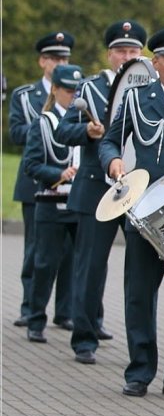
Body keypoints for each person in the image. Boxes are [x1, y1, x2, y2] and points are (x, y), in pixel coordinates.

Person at [99, 26, 164, 399]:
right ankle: (139, 370)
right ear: (155, 62)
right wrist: (113, 163)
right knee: (140, 293)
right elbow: (111, 140)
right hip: (143, 210)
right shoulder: (137, 99)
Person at [56, 19, 147, 363]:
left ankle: (131, 342)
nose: (127, 56)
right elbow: (65, 130)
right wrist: (89, 134)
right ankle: (84, 337)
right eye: (121, 50)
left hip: (136, 187)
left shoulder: (148, 88)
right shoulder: (91, 88)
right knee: (90, 265)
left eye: (133, 50)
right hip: (97, 186)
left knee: (138, 269)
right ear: (110, 54)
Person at [10, 31, 75, 332]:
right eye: (54, 58)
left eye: (64, 58)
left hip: (71, 186)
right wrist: (46, 128)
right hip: (36, 182)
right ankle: (30, 308)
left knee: (68, 256)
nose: (59, 62)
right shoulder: (25, 96)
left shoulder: (79, 99)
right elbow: (15, 133)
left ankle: (64, 311)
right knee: (37, 251)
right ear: (42, 61)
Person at [21, 64, 83, 343]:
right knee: (45, 263)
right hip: (50, 200)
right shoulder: (43, 122)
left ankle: (74, 315)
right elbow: (31, 165)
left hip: (80, 202)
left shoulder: (85, 123)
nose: (72, 96)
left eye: (76, 91)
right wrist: (58, 174)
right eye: (68, 90)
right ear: (55, 89)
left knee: (78, 264)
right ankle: (35, 319)